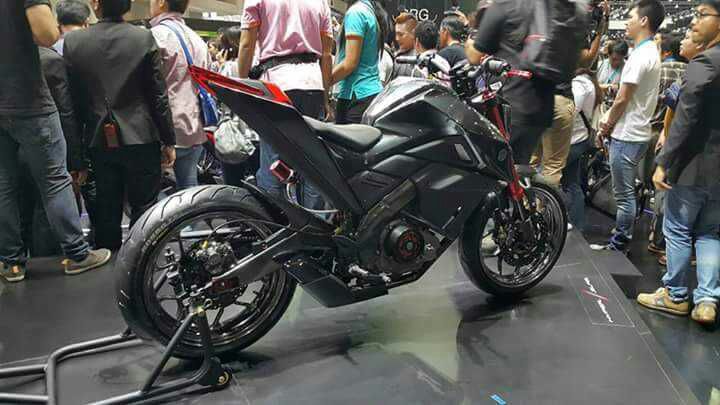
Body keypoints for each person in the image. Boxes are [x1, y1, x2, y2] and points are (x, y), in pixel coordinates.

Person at [0, 0, 111, 282]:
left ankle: (11, 263)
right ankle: (77, 254)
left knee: (3, 184)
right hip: (27, 98)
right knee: (54, 180)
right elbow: (47, 33)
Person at [64, 0, 177, 251]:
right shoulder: (143, 37)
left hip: (97, 140)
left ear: (96, 4)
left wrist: (75, 158)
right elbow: (158, 95)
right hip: (142, 136)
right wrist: (169, 140)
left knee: (106, 211)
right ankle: (139, 262)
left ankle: (109, 263)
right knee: (145, 209)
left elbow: (71, 105)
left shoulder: (73, 42)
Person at [637, 0, 720, 325]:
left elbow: (686, 115)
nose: (694, 21)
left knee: (678, 229)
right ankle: (707, 301)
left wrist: (664, 161)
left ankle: (675, 295)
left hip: (693, 165)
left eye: (702, 15)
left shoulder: (705, 62)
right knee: (710, 233)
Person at [236, 0, 334, 210]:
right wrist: (326, 98)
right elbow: (326, 55)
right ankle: (313, 223)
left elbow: (246, 45)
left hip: (276, 84)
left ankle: (273, 222)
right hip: (312, 84)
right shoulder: (321, 2)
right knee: (312, 163)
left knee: (273, 162)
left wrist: (241, 85)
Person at [591, 0, 665, 252]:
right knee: (627, 193)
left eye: (630, 17)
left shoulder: (641, 55)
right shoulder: (649, 52)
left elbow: (622, 98)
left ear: (644, 20)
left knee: (623, 196)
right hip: (637, 132)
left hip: (628, 134)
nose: (626, 22)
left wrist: (605, 125)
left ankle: (619, 243)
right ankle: (621, 237)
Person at [470, 0, 556, 166]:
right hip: (543, 107)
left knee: (502, 170)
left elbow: (475, 56)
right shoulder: (546, 7)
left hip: (512, 107)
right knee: (520, 166)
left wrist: (469, 42)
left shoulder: (504, 5)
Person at [532, 0, 607, 187]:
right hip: (558, 98)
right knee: (552, 168)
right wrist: (599, 30)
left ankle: (524, 202)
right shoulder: (571, 21)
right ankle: (542, 206)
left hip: (532, 97)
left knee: (530, 162)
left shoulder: (536, 17)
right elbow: (586, 61)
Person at [149, 0, 210, 192]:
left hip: (164, 127)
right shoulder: (197, 39)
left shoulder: (156, 36)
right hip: (195, 125)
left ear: (161, 2)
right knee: (189, 190)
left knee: (151, 193)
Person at [645, 33, 688, 260]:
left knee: (658, 186)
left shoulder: (660, 69)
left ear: (666, 51)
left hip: (658, 132)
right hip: (684, 139)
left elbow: (655, 101)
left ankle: (658, 238)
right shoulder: (691, 70)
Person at [332, 0, 388, 124]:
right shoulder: (369, 11)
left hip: (356, 94)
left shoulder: (356, 13)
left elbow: (350, 63)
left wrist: (325, 82)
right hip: (368, 93)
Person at [563, 69, 601, 231]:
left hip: (572, 140)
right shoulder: (588, 83)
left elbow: (570, 111)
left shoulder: (580, 84)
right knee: (572, 182)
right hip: (578, 139)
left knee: (553, 180)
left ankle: (561, 220)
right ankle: (576, 224)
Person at [392, 12, 417, 79]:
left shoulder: (421, 59)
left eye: (401, 34)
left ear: (413, 34)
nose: (397, 38)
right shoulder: (395, 56)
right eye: (396, 34)